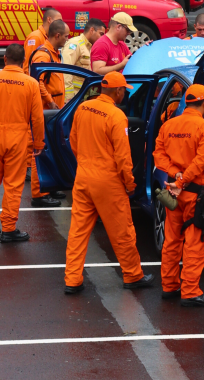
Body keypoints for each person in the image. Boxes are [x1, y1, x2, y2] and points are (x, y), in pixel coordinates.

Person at [64, 72, 154, 294]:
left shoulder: (83, 108)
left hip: (83, 176)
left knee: (78, 231)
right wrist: (130, 183)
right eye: (124, 89)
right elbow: (123, 156)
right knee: (122, 231)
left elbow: (73, 140)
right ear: (118, 91)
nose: (125, 93)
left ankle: (72, 279)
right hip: (108, 181)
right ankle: (133, 275)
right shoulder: (116, 115)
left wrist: (85, 162)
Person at [153, 84, 204, 307]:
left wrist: (175, 176)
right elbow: (201, 162)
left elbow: (158, 155)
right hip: (194, 194)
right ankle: (190, 291)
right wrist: (182, 180)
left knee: (171, 240)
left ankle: (169, 286)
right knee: (195, 243)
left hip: (173, 192)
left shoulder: (169, 125)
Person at [0, 44, 45, 243]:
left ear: (5, 59)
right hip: (18, 137)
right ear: (23, 62)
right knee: (13, 185)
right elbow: (37, 118)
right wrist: (38, 142)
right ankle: (8, 228)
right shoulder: (30, 84)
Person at [28, 19, 70, 208]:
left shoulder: (52, 54)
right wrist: (50, 101)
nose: (68, 39)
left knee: (51, 150)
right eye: (66, 36)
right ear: (57, 35)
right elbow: (38, 81)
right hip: (46, 113)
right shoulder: (43, 56)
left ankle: (50, 186)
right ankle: (39, 193)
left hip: (53, 113)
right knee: (40, 151)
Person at [61, 18, 106, 102]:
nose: (102, 38)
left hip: (84, 96)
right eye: (101, 34)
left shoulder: (91, 47)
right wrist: (69, 97)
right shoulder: (74, 44)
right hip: (74, 98)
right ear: (92, 30)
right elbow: (66, 71)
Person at [22, 8, 63, 74]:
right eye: (59, 21)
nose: (61, 24)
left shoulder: (49, 37)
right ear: (49, 19)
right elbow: (28, 66)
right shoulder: (35, 37)